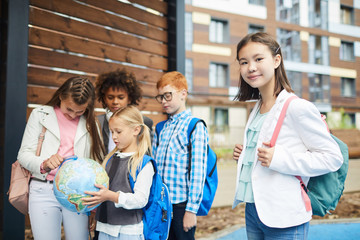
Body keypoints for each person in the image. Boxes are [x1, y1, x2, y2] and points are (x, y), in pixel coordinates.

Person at [231, 32, 343, 239]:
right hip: (254, 210)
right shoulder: (257, 108)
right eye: (244, 62)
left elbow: (332, 157)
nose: (251, 67)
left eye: (258, 59)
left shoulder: (297, 107)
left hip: (284, 214)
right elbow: (266, 152)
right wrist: (246, 154)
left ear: (276, 60)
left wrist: (279, 158)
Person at [17, 76, 104, 240]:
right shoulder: (40, 115)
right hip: (43, 189)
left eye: (80, 111)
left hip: (78, 194)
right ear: (61, 97)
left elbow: (95, 165)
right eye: (69, 109)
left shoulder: (91, 123)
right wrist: (44, 164)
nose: (73, 115)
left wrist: (93, 208)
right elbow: (23, 154)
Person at [82, 105, 154, 240]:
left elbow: (140, 200)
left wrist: (112, 196)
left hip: (129, 231)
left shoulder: (144, 163)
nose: (114, 137)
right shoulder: (109, 159)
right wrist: (94, 212)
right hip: (104, 228)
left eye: (118, 132)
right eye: (111, 132)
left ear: (136, 130)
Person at [152, 71, 208, 240]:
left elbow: (198, 172)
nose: (163, 101)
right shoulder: (160, 128)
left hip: (181, 206)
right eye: (160, 97)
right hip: (160, 204)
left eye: (167, 96)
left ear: (183, 94)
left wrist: (191, 211)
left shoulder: (195, 126)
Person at [95, 68, 153, 155]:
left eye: (121, 97)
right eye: (110, 97)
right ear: (104, 99)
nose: (115, 102)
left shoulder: (143, 122)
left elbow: (146, 152)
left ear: (129, 98)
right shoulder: (98, 122)